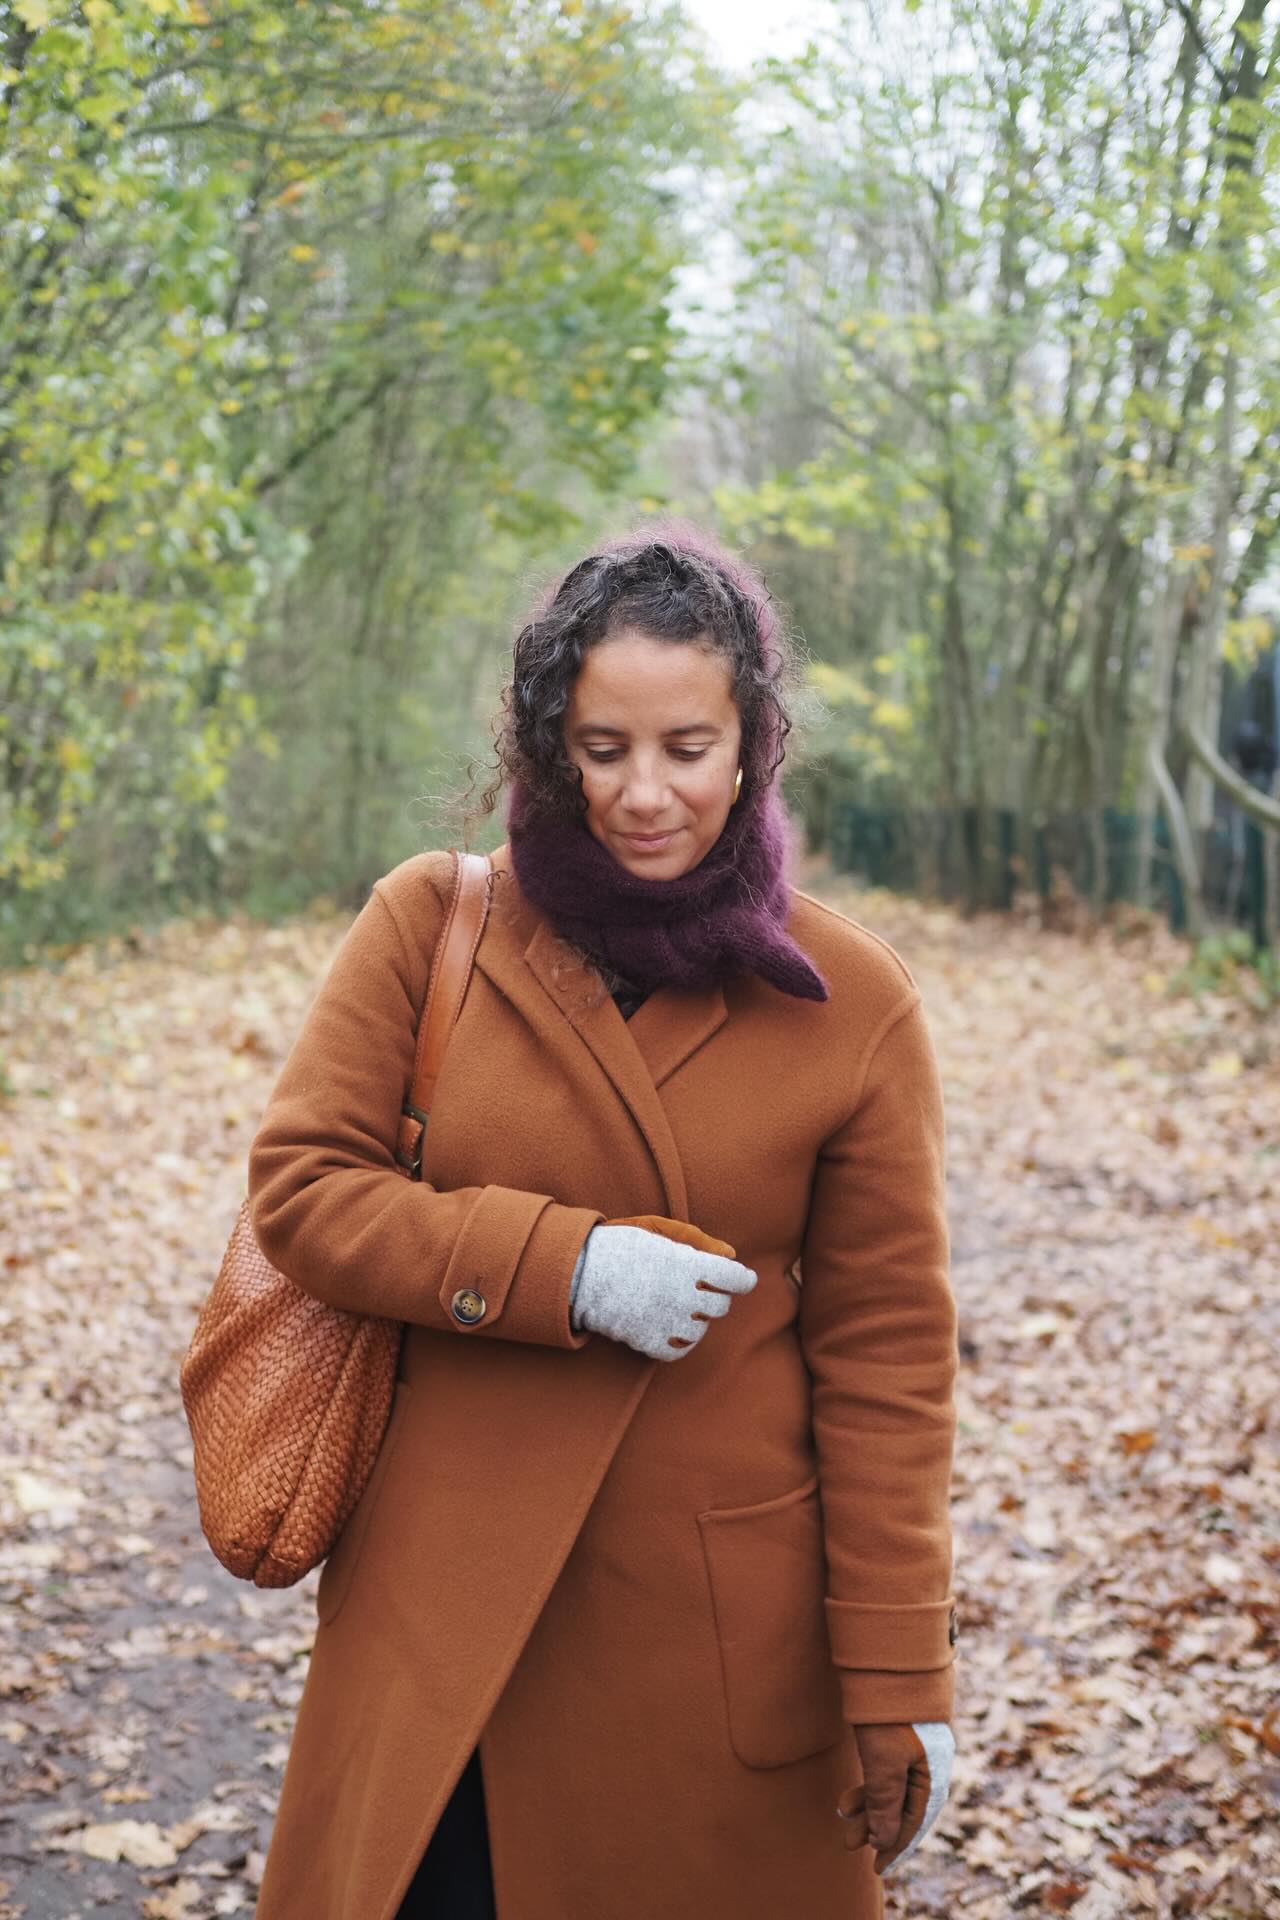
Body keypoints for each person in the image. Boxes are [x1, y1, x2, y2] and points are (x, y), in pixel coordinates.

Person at [245, 520, 960, 1920]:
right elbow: (304, 1190)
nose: (644, 793)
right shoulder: (432, 926)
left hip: (709, 1633)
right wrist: (562, 1269)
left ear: (754, 741)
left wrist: (899, 1677)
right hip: (444, 1613)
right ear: (546, 748)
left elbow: (887, 1369)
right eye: (602, 748)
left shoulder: (853, 1002)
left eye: (686, 749)